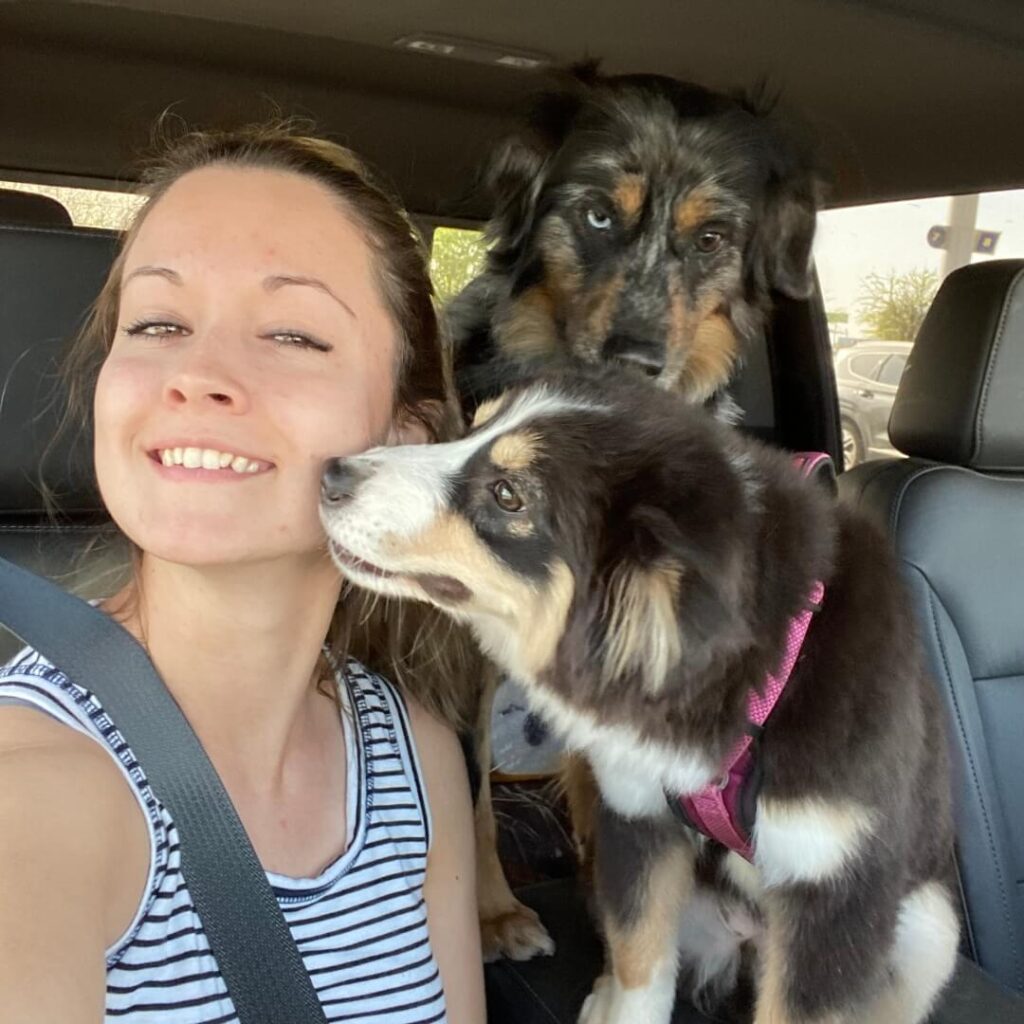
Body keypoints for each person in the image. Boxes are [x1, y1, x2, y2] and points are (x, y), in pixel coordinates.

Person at [0, 123, 485, 1024]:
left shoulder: (411, 755)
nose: (196, 372)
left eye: (294, 334)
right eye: (158, 323)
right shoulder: (25, 800)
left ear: (403, 443)